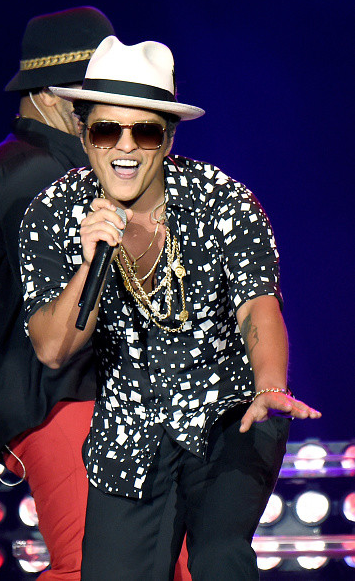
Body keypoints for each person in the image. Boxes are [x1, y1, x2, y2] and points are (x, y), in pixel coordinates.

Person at [19, 36, 322, 580]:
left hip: (230, 415)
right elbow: (51, 349)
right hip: (129, 433)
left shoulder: (223, 201)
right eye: (106, 130)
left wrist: (270, 385)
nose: (125, 147)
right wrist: (90, 264)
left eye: (145, 131)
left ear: (168, 138)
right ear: (85, 135)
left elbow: (258, 307)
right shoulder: (53, 213)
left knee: (218, 558)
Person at [0, 8, 116, 581]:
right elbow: (65, 308)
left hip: (85, 398)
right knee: (93, 565)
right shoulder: (33, 172)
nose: (106, 111)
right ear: (51, 94)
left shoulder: (58, 165)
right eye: (91, 97)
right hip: (61, 399)